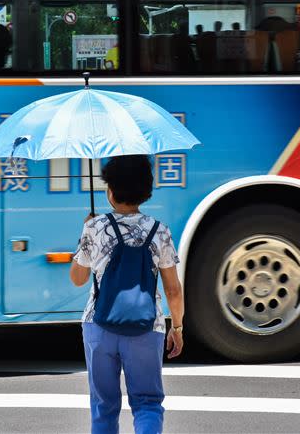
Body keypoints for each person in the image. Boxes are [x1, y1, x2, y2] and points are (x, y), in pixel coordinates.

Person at [70, 155, 185, 434]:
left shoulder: (95, 227)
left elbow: (78, 278)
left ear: (110, 191)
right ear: (146, 190)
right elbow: (172, 288)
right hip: (147, 327)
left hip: (99, 325)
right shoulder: (160, 231)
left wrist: (84, 236)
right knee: (147, 402)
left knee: (103, 405)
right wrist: (177, 327)